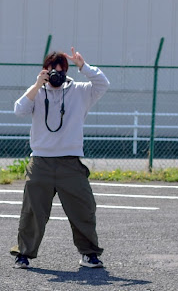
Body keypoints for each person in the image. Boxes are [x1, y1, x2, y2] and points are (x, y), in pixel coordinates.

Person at [12, 48, 109, 270]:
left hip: (70, 162)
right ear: (45, 71)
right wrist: (37, 85)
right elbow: (19, 110)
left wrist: (84, 67)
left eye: (61, 71)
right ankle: (24, 254)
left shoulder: (81, 91)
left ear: (67, 72)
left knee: (84, 209)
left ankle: (89, 254)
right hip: (41, 162)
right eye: (52, 71)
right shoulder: (37, 91)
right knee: (33, 211)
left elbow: (103, 84)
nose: (56, 75)